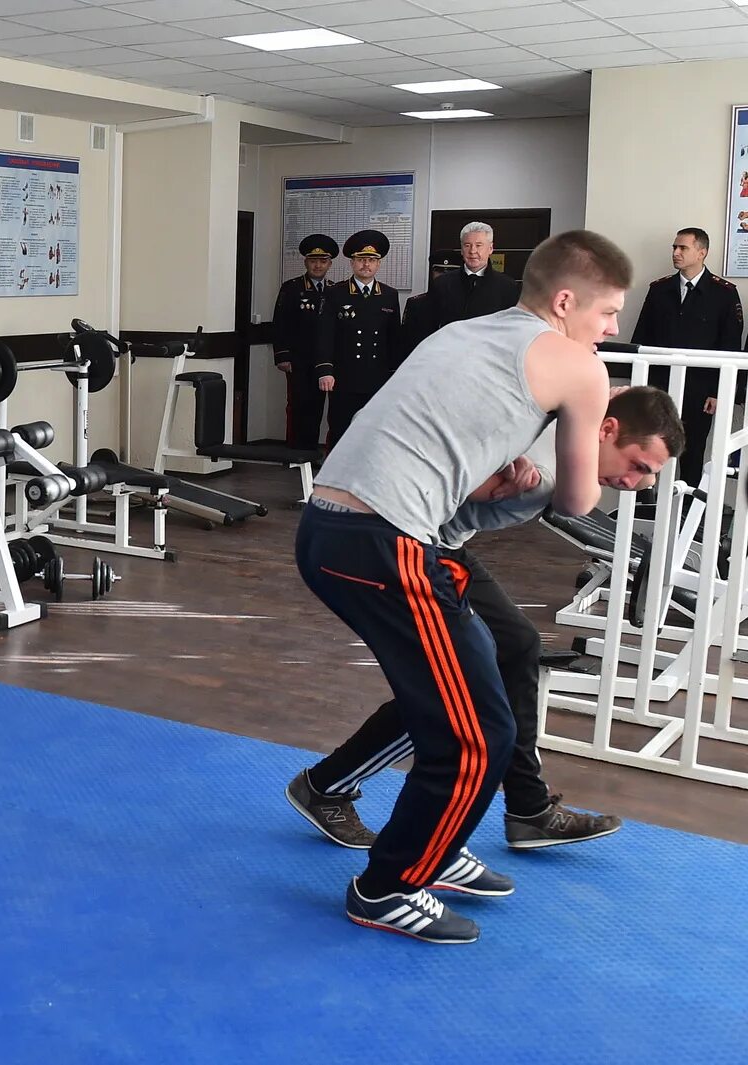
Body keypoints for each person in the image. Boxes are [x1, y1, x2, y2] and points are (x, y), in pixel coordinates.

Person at [293, 229, 672, 945]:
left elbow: (435, 438)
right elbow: (579, 500)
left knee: (485, 677)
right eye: (608, 312)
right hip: (382, 542)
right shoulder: (583, 368)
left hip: (332, 528)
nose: (612, 328)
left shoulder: (466, 332)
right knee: (477, 736)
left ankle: (429, 844)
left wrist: (498, 474)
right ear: (567, 302)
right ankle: (389, 886)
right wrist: (579, 429)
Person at [288, 386, 685, 868]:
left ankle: (527, 809)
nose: (636, 482)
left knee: (515, 647)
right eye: (637, 465)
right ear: (607, 429)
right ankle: (361, 809)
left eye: (648, 475)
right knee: (459, 691)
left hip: (439, 544)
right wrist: (490, 476)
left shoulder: (567, 424)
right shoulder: (542, 470)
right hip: (395, 544)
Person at [629, 227, 743, 491]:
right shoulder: (660, 290)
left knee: (692, 453)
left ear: (702, 253)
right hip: (660, 387)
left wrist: (718, 392)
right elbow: (642, 337)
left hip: (699, 390)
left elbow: (730, 346)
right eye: (674, 247)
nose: (676, 253)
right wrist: (640, 386)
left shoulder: (723, 293)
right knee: (649, 449)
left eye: (683, 248)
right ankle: (646, 504)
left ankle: (687, 509)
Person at [315, 229, 400, 446]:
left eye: (371, 260)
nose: (366, 265)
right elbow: (325, 334)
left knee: (374, 431)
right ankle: (335, 469)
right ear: (352, 263)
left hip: (377, 376)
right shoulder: (335, 293)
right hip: (345, 377)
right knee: (340, 429)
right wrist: (325, 370)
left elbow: (394, 339)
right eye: (361, 259)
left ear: (378, 264)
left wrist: (395, 375)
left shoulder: (389, 295)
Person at [271, 234, 337, 451]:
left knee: (322, 408)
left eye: (323, 261)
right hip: (299, 360)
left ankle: (315, 453)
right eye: (313, 261)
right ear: (306, 262)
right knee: (300, 406)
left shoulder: (334, 289)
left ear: (329, 264)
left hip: (325, 360)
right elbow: (280, 323)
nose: (318, 265)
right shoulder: (292, 288)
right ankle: (297, 454)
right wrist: (282, 355)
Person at [427, 222, 522, 329]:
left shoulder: (507, 286)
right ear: (461, 249)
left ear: (490, 248)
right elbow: (429, 325)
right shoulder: (442, 284)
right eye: (467, 245)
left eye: (478, 245)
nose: (472, 251)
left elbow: (512, 328)